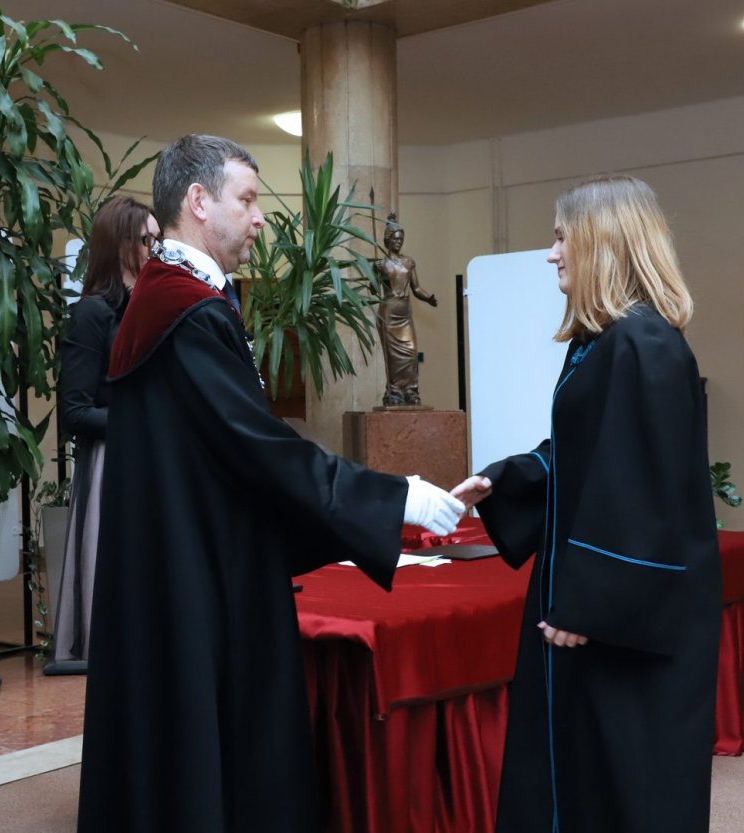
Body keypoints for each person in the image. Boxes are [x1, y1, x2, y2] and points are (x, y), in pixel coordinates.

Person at [77, 134, 464, 833]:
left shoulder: (168, 299)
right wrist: (393, 497)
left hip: (181, 566)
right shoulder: (186, 310)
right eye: (248, 199)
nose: (260, 218)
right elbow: (257, 446)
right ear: (198, 201)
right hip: (204, 580)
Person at [452, 175, 721, 833]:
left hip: (626, 619)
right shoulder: (604, 340)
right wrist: (510, 478)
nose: (551, 253)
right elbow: (587, 450)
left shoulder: (643, 344)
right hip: (597, 608)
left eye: (560, 237)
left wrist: (592, 604)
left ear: (602, 242)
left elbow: (645, 488)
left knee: (627, 784)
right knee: (583, 775)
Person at [46, 195, 160, 674]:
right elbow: (73, 412)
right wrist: (142, 421)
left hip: (152, 460)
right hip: (111, 464)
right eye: (146, 240)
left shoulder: (152, 307)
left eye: (158, 239)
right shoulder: (92, 314)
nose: (156, 249)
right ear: (120, 243)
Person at [373, 213, 436, 407]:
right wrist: (374, 273)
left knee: (410, 352)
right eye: (395, 239)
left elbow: (416, 289)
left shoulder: (409, 262)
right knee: (392, 358)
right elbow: (373, 290)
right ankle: (395, 392)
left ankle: (411, 391)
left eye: (401, 239)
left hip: (405, 314)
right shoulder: (382, 264)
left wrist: (429, 298)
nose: (398, 242)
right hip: (389, 313)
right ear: (387, 240)